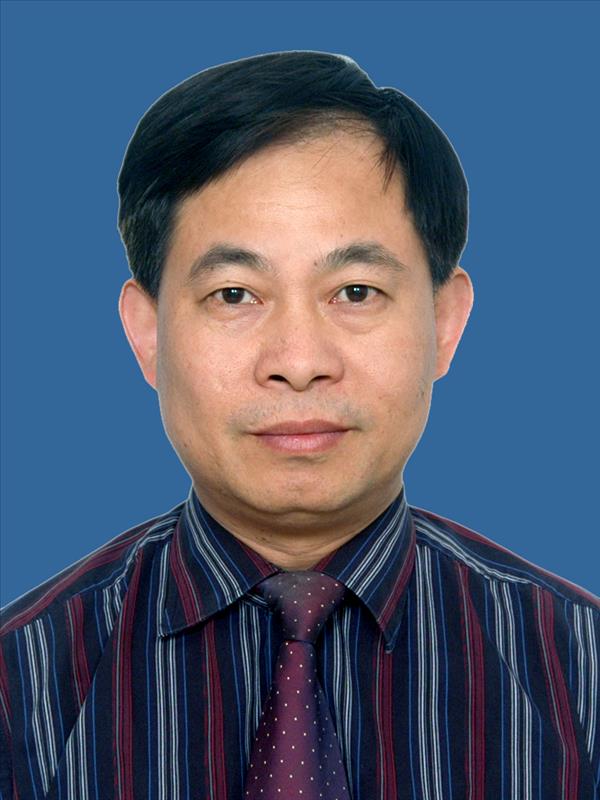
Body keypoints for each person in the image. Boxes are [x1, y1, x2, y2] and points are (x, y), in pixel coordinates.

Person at [1, 50, 598, 800]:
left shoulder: (580, 674)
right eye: (234, 295)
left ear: (445, 322)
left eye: (355, 291)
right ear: (147, 332)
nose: (299, 361)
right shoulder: (18, 684)